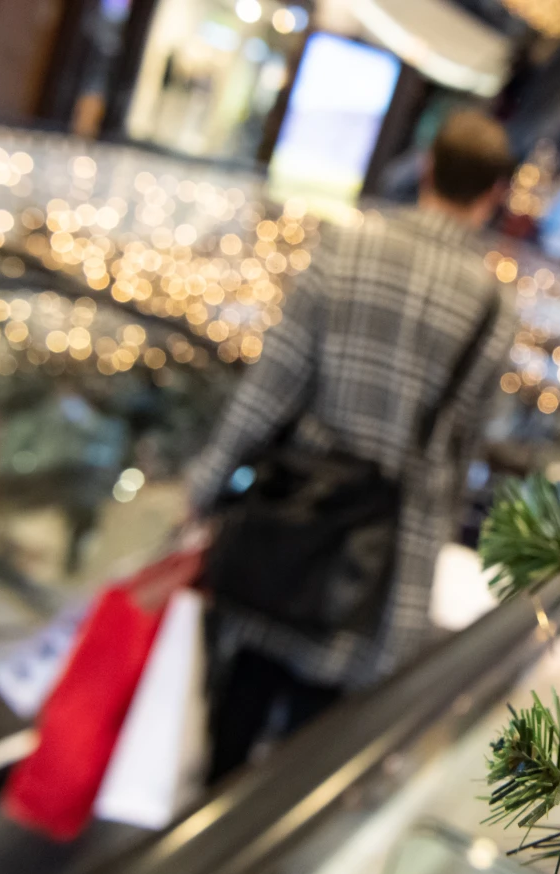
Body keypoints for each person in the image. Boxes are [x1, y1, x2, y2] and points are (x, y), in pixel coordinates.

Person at [186, 109, 517, 782]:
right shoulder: (491, 307)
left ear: (425, 169)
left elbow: (271, 386)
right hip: (384, 558)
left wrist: (208, 481)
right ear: (493, 195)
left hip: (290, 524)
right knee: (315, 744)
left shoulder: (344, 248)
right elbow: (465, 446)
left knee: (241, 697)